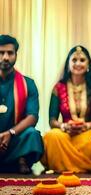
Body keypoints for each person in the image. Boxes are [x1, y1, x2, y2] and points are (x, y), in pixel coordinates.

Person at [41, 45, 91, 173]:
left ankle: (64, 166)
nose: (78, 63)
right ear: (68, 64)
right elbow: (52, 120)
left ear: (88, 64)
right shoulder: (58, 87)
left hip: (87, 135)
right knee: (51, 136)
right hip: (66, 134)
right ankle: (81, 167)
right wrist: (64, 126)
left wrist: (86, 125)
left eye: (82, 60)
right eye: (74, 60)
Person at [0, 35, 43, 174]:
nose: (5, 57)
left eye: (10, 53)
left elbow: (32, 117)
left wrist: (10, 133)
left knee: (32, 135)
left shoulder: (27, 84)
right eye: (1, 53)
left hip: (14, 140)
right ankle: (15, 163)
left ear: (16, 55)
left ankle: (21, 159)